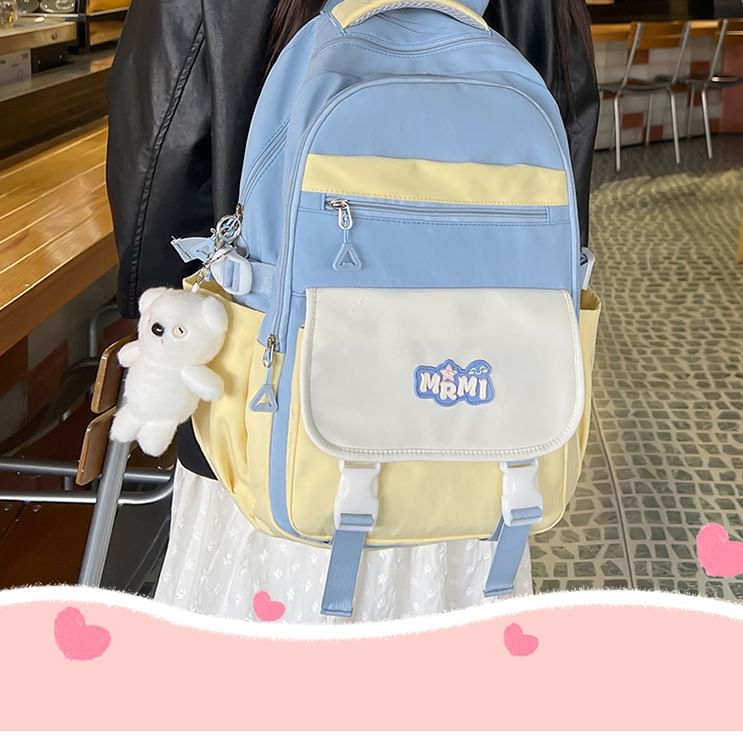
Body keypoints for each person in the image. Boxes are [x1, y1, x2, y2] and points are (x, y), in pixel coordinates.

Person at [107, 0, 599, 622]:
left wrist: (173, 317)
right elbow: (568, 150)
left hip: (279, 417)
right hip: (489, 442)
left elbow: (159, 146)